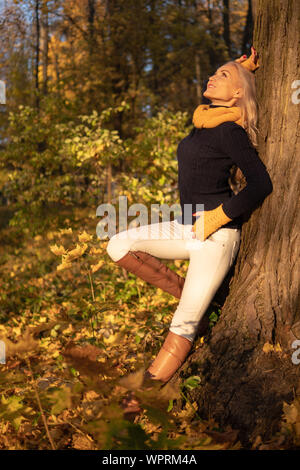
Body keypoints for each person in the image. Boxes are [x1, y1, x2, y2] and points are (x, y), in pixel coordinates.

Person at [106, 46, 273, 390]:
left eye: (222, 76)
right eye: (215, 72)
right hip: (186, 226)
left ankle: (137, 402)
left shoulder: (231, 131)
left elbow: (261, 184)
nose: (213, 76)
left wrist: (216, 219)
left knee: (183, 323)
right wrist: (238, 69)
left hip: (216, 236)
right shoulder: (204, 122)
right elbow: (225, 97)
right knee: (118, 244)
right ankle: (205, 302)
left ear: (238, 93)